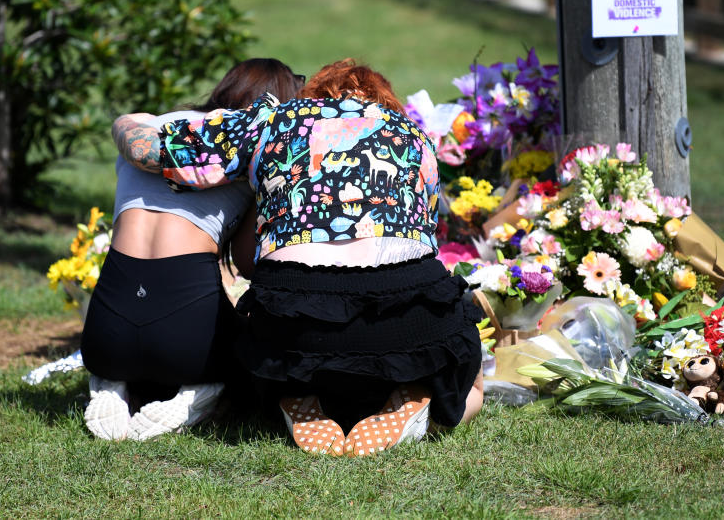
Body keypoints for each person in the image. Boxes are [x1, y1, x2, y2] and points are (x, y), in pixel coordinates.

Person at [112, 59, 484, 456]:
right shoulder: (416, 138)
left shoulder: (273, 121)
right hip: (404, 316)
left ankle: (296, 395)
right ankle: (428, 405)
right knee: (469, 369)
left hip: (295, 325)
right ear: (383, 100)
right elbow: (428, 238)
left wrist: (125, 123)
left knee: (276, 341)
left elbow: (153, 153)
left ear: (314, 94)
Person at [81, 58, 304, 441]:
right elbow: (248, 262)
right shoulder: (255, 146)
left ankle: (109, 382)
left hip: (104, 332)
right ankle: (200, 391)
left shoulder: (153, 125)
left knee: (129, 325)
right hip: (187, 342)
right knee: (247, 347)